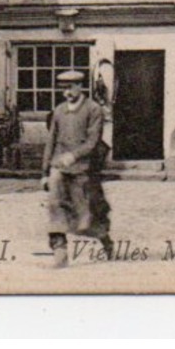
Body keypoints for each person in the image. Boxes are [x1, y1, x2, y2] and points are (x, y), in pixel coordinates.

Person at [42, 69, 113, 268]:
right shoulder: (59, 111)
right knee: (55, 204)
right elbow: (51, 141)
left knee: (86, 216)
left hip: (83, 169)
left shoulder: (93, 110)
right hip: (59, 167)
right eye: (63, 88)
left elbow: (93, 142)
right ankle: (60, 249)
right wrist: (45, 171)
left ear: (80, 86)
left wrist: (74, 155)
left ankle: (104, 239)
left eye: (70, 87)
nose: (67, 93)